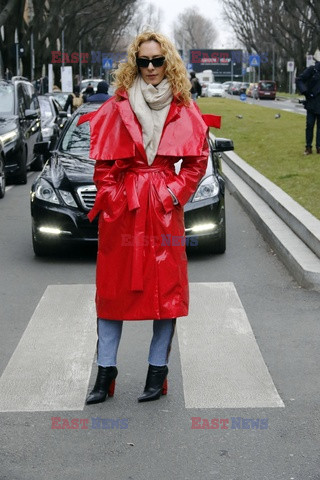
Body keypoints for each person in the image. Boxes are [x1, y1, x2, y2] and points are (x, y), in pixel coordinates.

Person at [78, 31, 219, 405]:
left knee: (165, 293)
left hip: (162, 210)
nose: (152, 68)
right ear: (135, 63)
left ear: (168, 61)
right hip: (124, 211)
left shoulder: (183, 106)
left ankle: (158, 372)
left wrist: (171, 193)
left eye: (158, 60)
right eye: (144, 61)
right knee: (111, 293)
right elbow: (103, 167)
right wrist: (113, 196)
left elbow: (196, 162)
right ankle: (105, 372)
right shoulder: (117, 105)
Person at [296, 48, 320, 155]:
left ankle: (319, 147)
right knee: (310, 125)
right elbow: (299, 79)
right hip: (311, 101)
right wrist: (305, 92)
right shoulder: (312, 70)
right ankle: (308, 147)